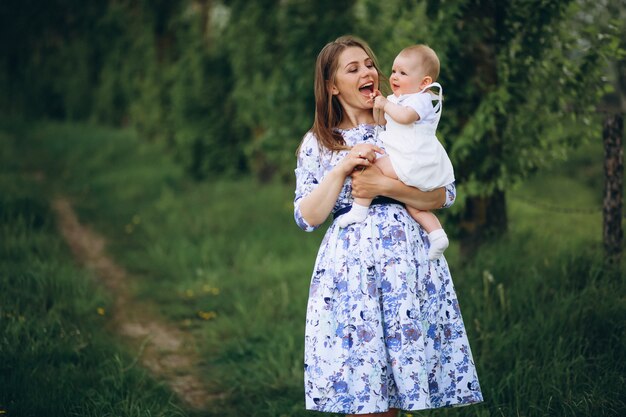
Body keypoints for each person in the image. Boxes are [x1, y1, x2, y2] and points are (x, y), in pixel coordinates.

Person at [294, 35, 483, 417]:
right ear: (332, 87)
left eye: (369, 64)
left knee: (399, 389)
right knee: (364, 391)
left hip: (406, 270)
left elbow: (443, 195)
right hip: (353, 274)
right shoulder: (319, 143)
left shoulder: (402, 126)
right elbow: (307, 217)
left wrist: (386, 186)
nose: (369, 72)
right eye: (353, 69)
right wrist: (343, 169)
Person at [336, 44, 453, 261]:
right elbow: (382, 122)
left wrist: (385, 103)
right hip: (407, 161)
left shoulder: (424, 99)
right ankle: (437, 235)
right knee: (414, 205)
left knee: (368, 165)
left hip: (413, 159)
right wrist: (378, 106)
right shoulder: (395, 101)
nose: (394, 77)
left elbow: (405, 117)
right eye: (393, 71)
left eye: (403, 73)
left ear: (424, 82)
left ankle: (360, 208)